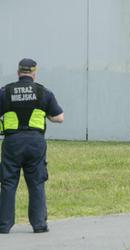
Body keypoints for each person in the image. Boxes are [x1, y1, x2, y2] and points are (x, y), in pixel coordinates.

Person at [0, 58, 64, 234]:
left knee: (8, 183)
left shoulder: (5, 92)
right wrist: (47, 115)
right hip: (35, 143)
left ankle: (3, 225)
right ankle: (39, 225)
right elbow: (59, 117)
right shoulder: (43, 92)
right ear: (34, 73)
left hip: (12, 143)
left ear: (18, 72)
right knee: (36, 183)